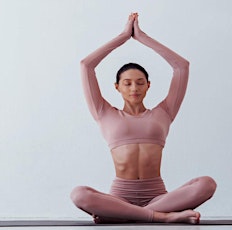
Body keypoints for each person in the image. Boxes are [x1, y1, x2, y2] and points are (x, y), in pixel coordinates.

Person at [70, 13, 217, 224]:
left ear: (148, 85)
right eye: (127, 83)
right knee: (79, 194)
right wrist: (123, 36)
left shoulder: (165, 111)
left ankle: (123, 215)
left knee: (207, 184)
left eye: (140, 82)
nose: (134, 88)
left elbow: (181, 66)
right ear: (117, 87)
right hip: (119, 196)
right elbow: (86, 65)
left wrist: (142, 37)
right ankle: (160, 217)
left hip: (158, 196)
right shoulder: (103, 112)